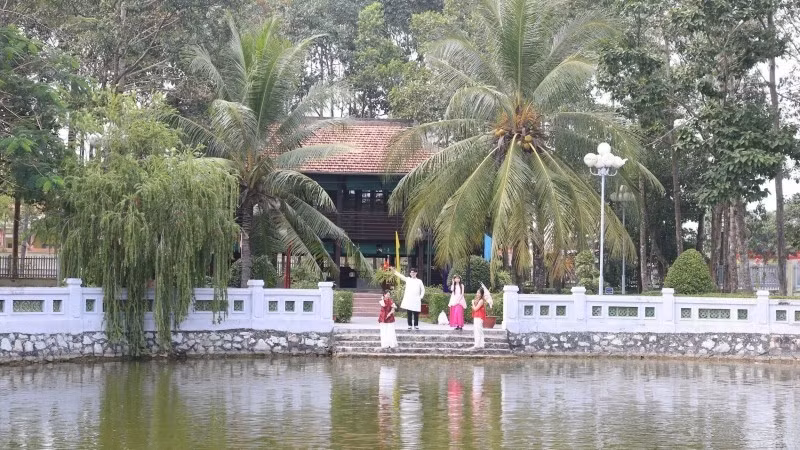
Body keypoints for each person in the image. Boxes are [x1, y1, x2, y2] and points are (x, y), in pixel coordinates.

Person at [471, 284, 492, 349]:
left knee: (478, 331)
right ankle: (481, 344)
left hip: (478, 317)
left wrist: (472, 304)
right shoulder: (479, 300)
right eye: (477, 292)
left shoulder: (481, 301)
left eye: (479, 293)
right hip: (477, 316)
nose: (477, 294)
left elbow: (475, 309)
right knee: (478, 330)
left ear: (482, 294)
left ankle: (477, 345)